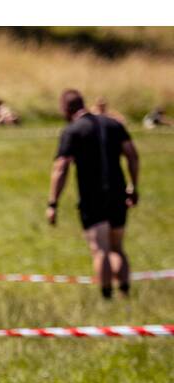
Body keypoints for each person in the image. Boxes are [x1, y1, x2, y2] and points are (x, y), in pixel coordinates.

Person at [47, 89, 139, 300]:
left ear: (66, 108)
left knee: (100, 250)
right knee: (117, 247)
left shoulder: (73, 131)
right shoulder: (113, 124)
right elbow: (132, 155)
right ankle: (125, 294)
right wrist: (134, 186)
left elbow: (61, 167)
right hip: (118, 192)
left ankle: (107, 298)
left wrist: (53, 203)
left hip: (92, 197)